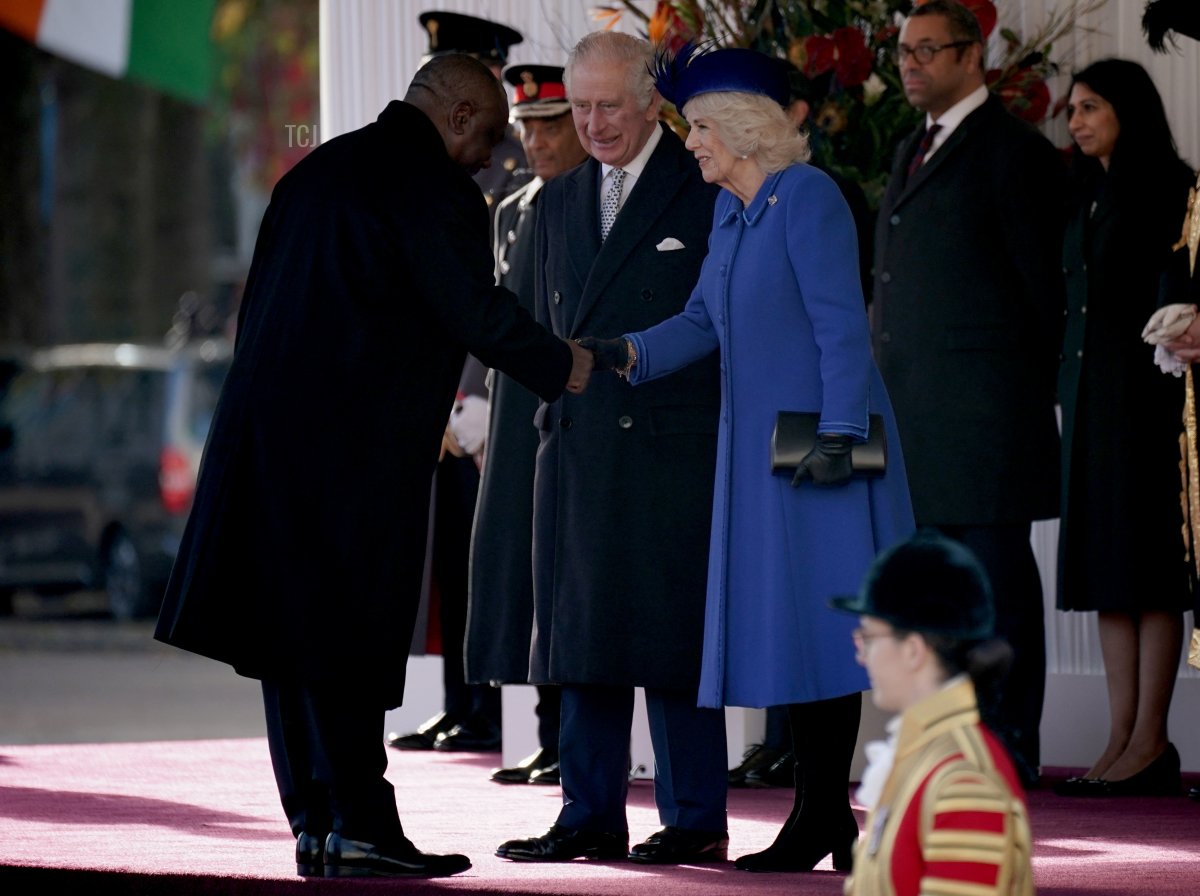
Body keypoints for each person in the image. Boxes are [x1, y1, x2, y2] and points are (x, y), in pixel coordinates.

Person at [153, 53, 593, 879]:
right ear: (459, 117)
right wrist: (566, 365)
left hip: (265, 450)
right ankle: (362, 824)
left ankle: (316, 825)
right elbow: (473, 310)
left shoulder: (314, 171)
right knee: (347, 642)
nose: (491, 155)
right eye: (491, 135)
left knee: (286, 645)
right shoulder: (428, 187)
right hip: (350, 462)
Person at [581, 43, 915, 872]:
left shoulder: (807, 197)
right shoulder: (732, 211)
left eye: (695, 126)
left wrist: (839, 441)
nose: (688, 141)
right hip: (764, 452)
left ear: (740, 127)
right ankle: (823, 819)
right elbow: (700, 322)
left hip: (822, 442)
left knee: (827, 626)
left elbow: (844, 331)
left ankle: (823, 816)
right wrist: (618, 352)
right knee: (799, 625)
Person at [493, 31, 728, 865]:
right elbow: (533, 330)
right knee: (582, 638)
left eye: (607, 107)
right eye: (580, 106)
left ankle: (695, 818)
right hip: (581, 445)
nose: (590, 124)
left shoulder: (704, 186)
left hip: (674, 444)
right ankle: (587, 812)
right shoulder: (554, 200)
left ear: (651, 102)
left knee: (673, 641)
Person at [871, 0, 1067, 786]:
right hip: (916, 416)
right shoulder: (909, 148)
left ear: (969, 55)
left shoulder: (1014, 151)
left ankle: (1008, 741)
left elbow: (1041, 291)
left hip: (986, 417)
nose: (909, 64)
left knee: (996, 589)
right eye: (903, 52)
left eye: (925, 50)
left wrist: (1016, 398)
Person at [386, 10, 529, 756]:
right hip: (441, 396)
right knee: (445, 559)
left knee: (482, 560)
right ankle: (456, 701)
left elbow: (494, 291)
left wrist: (474, 395)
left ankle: (488, 708)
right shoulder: (427, 164)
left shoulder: (510, 165)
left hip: (479, 395)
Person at [1053, 59, 1192, 799]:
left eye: (1091, 107)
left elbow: (1180, 287)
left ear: (1127, 110)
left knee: (1149, 570)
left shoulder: (1172, 186)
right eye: (1072, 108)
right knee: (1108, 574)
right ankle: (1119, 738)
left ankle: (1151, 740)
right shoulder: (1085, 192)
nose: (1075, 120)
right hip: (1088, 401)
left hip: (1147, 402)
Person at [465, 62, 589, 787]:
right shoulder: (513, 207)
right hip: (516, 408)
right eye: (528, 128)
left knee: (564, 572)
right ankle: (544, 732)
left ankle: (572, 739)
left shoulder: (588, 204)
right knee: (521, 571)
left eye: (550, 124)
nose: (536, 141)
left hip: (567, 401)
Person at [830, 531, 1033, 896]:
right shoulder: (925, 750)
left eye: (869, 638)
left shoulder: (961, 778)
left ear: (913, 649)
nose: (861, 656)